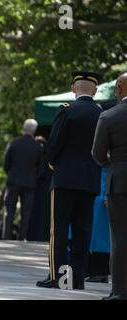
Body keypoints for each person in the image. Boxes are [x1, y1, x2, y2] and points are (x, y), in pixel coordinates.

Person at [37, 71, 102, 290]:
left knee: (60, 230)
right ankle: (77, 280)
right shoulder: (100, 113)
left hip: (64, 178)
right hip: (90, 179)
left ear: (73, 88)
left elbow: (53, 146)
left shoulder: (67, 110)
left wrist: (54, 167)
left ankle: (58, 277)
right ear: (94, 91)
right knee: (83, 231)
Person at [92, 72, 127, 300]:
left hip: (120, 182)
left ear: (121, 88)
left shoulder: (109, 116)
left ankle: (120, 291)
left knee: (120, 238)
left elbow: (97, 153)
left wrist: (113, 164)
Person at [2, 119, 43, 240]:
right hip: (30, 183)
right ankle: (22, 237)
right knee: (26, 212)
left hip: (13, 180)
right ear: (34, 131)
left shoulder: (13, 143)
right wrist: (35, 178)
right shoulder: (38, 147)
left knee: (9, 210)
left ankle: (6, 236)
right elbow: (41, 169)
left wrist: (10, 174)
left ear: (23, 128)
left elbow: (6, 163)